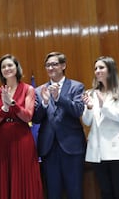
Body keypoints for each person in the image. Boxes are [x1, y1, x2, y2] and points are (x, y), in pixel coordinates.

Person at [32, 52, 86, 199]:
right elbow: (35, 119)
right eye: (48, 65)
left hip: (72, 147)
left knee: (75, 192)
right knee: (53, 193)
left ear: (63, 66)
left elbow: (78, 110)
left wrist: (59, 98)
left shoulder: (76, 87)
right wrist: (43, 103)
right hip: (49, 148)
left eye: (54, 64)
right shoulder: (39, 91)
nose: (51, 67)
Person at [0, 54, 44, 199]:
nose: (7, 68)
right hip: (2, 139)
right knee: (4, 176)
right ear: (0, 71)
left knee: (23, 176)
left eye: (10, 65)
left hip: (22, 138)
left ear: (16, 68)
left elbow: (28, 116)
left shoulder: (28, 89)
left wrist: (12, 104)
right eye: (3, 66)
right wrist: (5, 108)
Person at [81, 56, 119, 199]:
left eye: (101, 67)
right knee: (106, 192)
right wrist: (90, 107)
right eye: (96, 68)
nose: (97, 71)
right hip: (97, 150)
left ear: (111, 70)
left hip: (117, 149)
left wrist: (104, 106)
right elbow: (87, 121)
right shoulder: (90, 93)